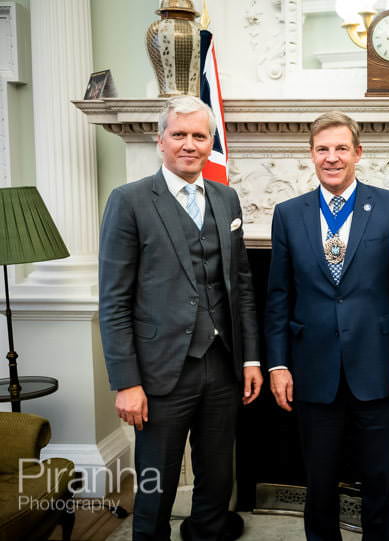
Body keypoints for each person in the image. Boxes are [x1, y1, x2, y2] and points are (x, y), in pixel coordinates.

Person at [99, 95, 263, 540]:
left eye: (199, 135)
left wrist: (250, 360)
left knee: (217, 477)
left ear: (211, 143)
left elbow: (242, 285)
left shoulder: (227, 200)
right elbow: (113, 300)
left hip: (223, 365)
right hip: (159, 373)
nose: (190, 144)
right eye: (179, 135)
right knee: (156, 484)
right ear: (161, 141)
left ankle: (207, 532)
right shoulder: (129, 200)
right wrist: (126, 382)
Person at [265, 111, 389, 540]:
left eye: (340, 148)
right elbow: (279, 296)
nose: (331, 158)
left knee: (381, 479)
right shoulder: (288, 213)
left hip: (379, 369)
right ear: (311, 155)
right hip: (313, 371)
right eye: (322, 149)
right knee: (318, 483)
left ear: (358, 153)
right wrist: (277, 364)